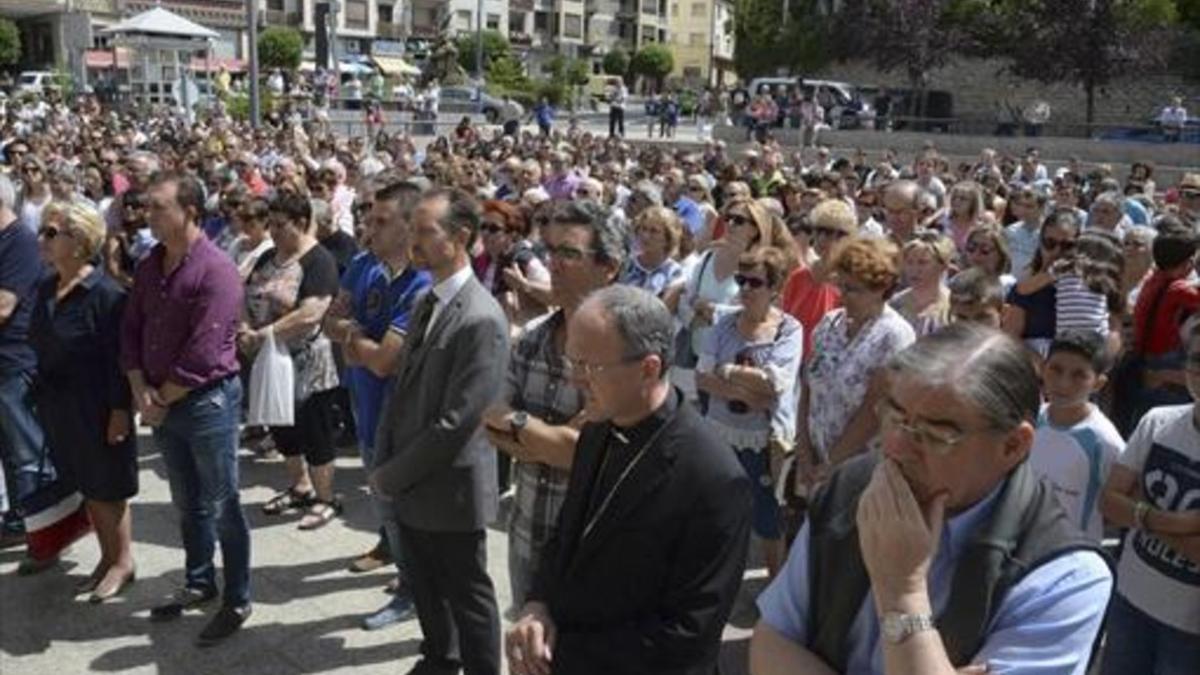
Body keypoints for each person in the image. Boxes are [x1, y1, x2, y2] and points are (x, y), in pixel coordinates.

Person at [752, 324, 1113, 675]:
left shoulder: (1065, 577)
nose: (894, 448)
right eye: (894, 416)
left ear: (1013, 445)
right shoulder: (852, 486)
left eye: (936, 434)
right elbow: (771, 642)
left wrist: (902, 594)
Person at [506, 284, 752, 675]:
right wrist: (538, 605)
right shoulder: (597, 429)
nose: (575, 380)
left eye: (590, 367)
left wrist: (560, 655)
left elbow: (688, 636)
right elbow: (568, 535)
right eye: (573, 362)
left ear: (648, 368)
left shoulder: (714, 478)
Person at [372, 188, 509, 675]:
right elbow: (402, 388)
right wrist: (384, 458)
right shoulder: (427, 298)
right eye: (413, 230)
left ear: (461, 238)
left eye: (426, 231)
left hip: (450, 489)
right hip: (412, 480)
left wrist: (393, 474)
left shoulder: (481, 317)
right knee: (426, 587)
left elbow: (458, 421)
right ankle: (439, 658)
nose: (414, 241)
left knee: (468, 596)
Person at [120, 172, 251, 646]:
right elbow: (131, 329)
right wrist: (139, 388)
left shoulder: (215, 270)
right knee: (187, 502)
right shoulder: (151, 264)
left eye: (158, 207)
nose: (146, 215)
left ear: (190, 212)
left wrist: (158, 400)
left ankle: (236, 596)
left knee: (223, 503)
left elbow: (203, 351)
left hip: (205, 403)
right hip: (160, 401)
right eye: (146, 206)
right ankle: (200, 580)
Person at [481, 199, 624, 614]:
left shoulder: (624, 349)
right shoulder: (531, 340)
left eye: (569, 254)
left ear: (608, 267)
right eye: (550, 251)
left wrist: (519, 424)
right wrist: (551, 440)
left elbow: (578, 450)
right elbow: (489, 424)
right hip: (528, 534)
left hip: (594, 548)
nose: (553, 264)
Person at [326, 181, 431, 629]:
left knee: (405, 511)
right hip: (366, 408)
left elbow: (388, 361)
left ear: (411, 226)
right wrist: (356, 338)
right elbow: (331, 320)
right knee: (385, 506)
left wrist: (353, 338)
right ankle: (407, 572)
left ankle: (416, 593)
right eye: (368, 218)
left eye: (382, 221)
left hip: (405, 420)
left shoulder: (423, 282)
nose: (369, 227)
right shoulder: (364, 265)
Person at [30, 202, 137, 600]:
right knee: (87, 485)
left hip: (98, 406)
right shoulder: (46, 285)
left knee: (108, 485)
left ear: (79, 242)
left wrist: (120, 412)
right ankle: (107, 557)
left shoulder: (106, 295)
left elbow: (119, 362)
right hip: (59, 406)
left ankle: (122, 560)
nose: (41, 239)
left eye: (51, 233)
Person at [1099, 319, 1200, 675]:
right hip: (1130, 599)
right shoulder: (1158, 422)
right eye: (1197, 358)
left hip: (1189, 627)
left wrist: (1139, 509)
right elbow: (1109, 503)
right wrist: (1178, 523)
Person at [696, 246, 802, 577]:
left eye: (755, 283)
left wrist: (726, 371)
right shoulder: (725, 325)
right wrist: (746, 390)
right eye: (741, 280)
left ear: (775, 288)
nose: (744, 289)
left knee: (768, 520)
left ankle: (776, 592)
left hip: (763, 440)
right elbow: (702, 375)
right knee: (717, 514)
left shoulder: (789, 329)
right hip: (720, 434)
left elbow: (776, 384)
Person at [241, 192, 343, 530]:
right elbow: (246, 290)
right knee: (282, 427)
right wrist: (245, 325)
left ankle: (325, 497)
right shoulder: (270, 256)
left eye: (280, 225)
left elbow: (311, 313)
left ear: (300, 223)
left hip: (307, 361)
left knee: (314, 430)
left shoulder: (319, 260)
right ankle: (300, 486)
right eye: (270, 224)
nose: (272, 232)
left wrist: (266, 332)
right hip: (267, 355)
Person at [796, 237, 915, 492]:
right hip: (816, 461)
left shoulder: (894, 336)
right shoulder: (829, 324)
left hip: (860, 471)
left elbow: (874, 409)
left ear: (881, 289)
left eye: (854, 289)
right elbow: (807, 387)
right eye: (842, 286)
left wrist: (830, 465)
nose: (843, 296)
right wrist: (804, 452)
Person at [1029, 331, 1124, 543]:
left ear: (1098, 383)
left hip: (1071, 554)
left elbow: (1116, 506)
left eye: (1079, 375)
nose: (1063, 383)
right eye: (1056, 369)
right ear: (1043, 368)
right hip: (1021, 545)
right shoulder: (1030, 420)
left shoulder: (1104, 441)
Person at [0, 174, 47, 550]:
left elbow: (4, 305)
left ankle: (41, 529)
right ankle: (19, 520)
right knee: (9, 450)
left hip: (15, 361)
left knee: (27, 450)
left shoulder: (20, 241)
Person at [780, 200, 854, 359]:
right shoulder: (798, 276)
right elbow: (783, 319)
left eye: (833, 233)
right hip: (792, 358)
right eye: (819, 230)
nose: (823, 238)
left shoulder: (850, 284)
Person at [889, 231, 955, 337]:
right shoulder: (894, 305)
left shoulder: (954, 306)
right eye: (909, 262)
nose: (914, 270)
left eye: (922, 263)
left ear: (942, 266)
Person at [619, 206, 684, 297]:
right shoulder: (625, 265)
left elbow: (666, 307)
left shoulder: (674, 273)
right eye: (643, 229)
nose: (645, 236)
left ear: (668, 238)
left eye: (654, 231)